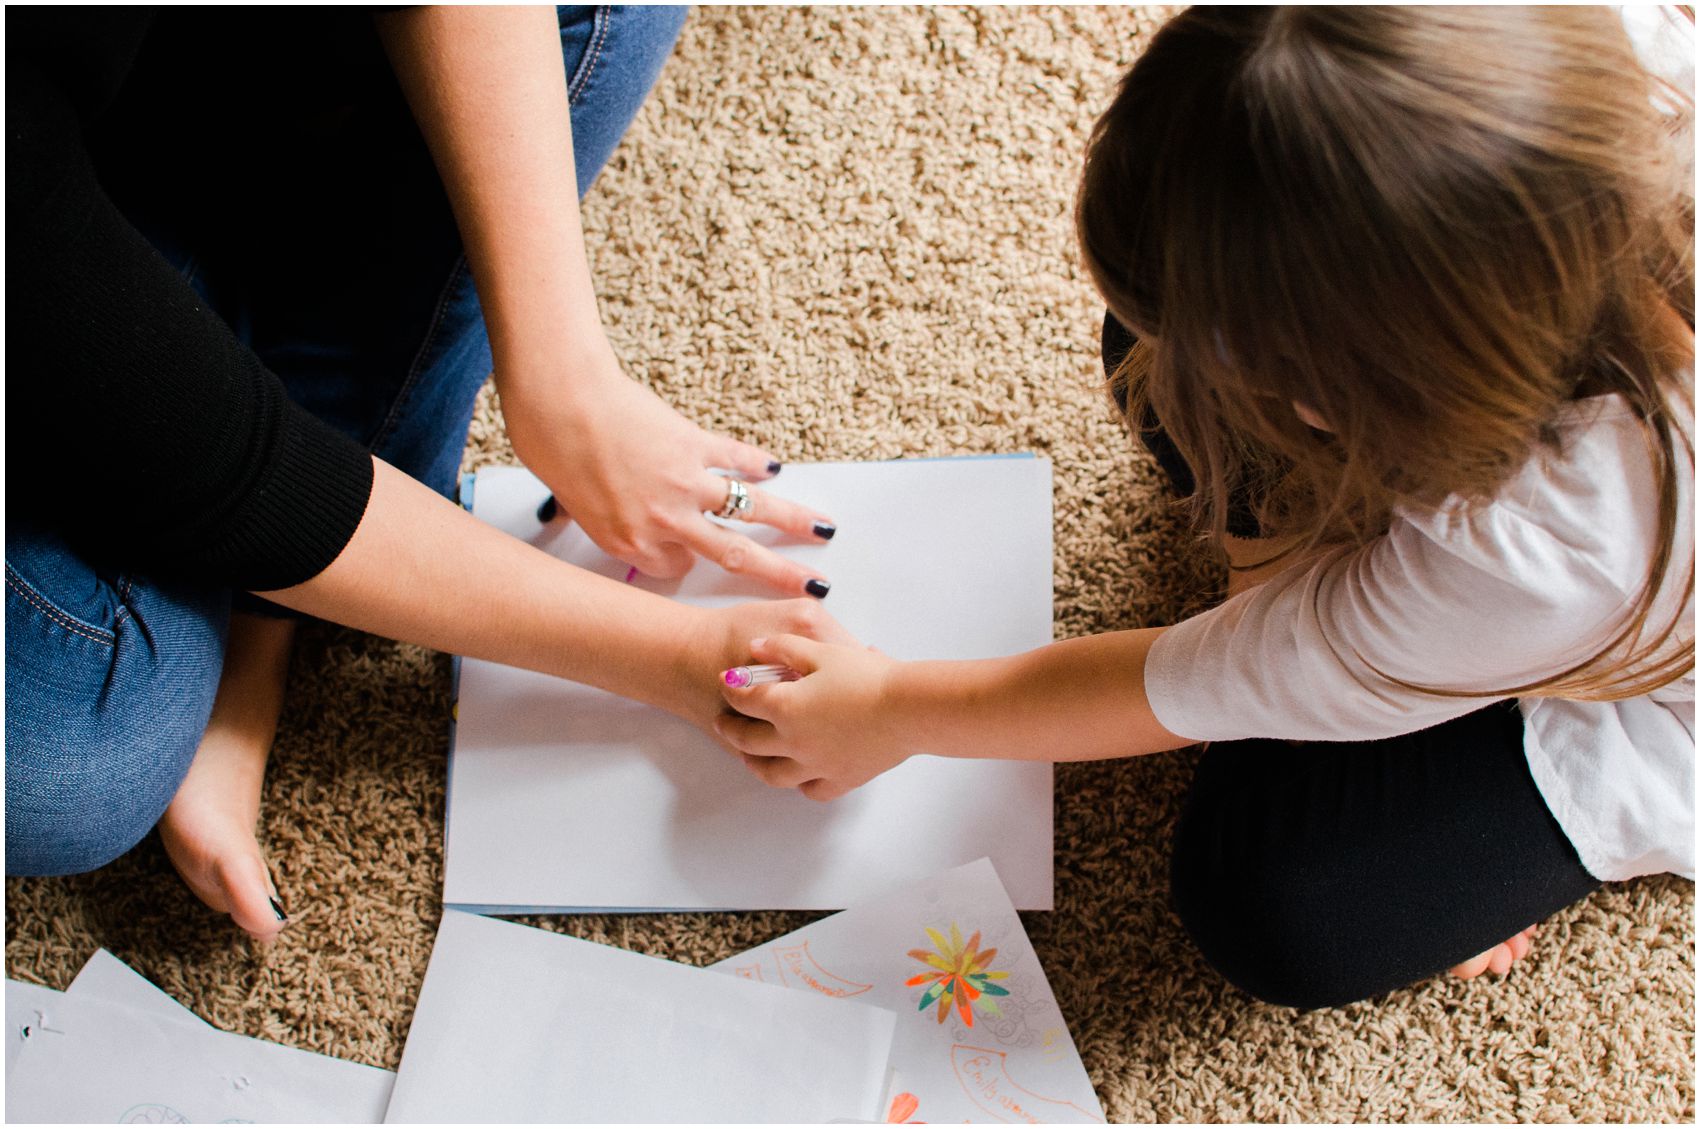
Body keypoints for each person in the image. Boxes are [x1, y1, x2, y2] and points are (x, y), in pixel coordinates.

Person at [716, 6, 1696, 1009]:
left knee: (1280, 908)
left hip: (1641, 688)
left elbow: (1188, 682)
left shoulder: (1533, 553)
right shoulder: (1593, 55)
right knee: (1154, 333)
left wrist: (889, 708)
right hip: (1527, 496)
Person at [6, 6, 848, 942]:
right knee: (68, 771)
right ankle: (268, 585)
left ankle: (240, 299)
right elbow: (225, 464)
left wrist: (564, 372)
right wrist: (687, 659)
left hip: (135, 96)